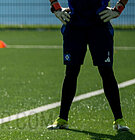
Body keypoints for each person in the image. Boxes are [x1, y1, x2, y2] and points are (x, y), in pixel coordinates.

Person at [47, 0, 130, 131]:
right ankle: (62, 119)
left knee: (106, 72)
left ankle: (119, 120)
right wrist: (56, 8)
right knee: (71, 72)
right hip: (74, 26)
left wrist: (119, 8)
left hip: (100, 25)